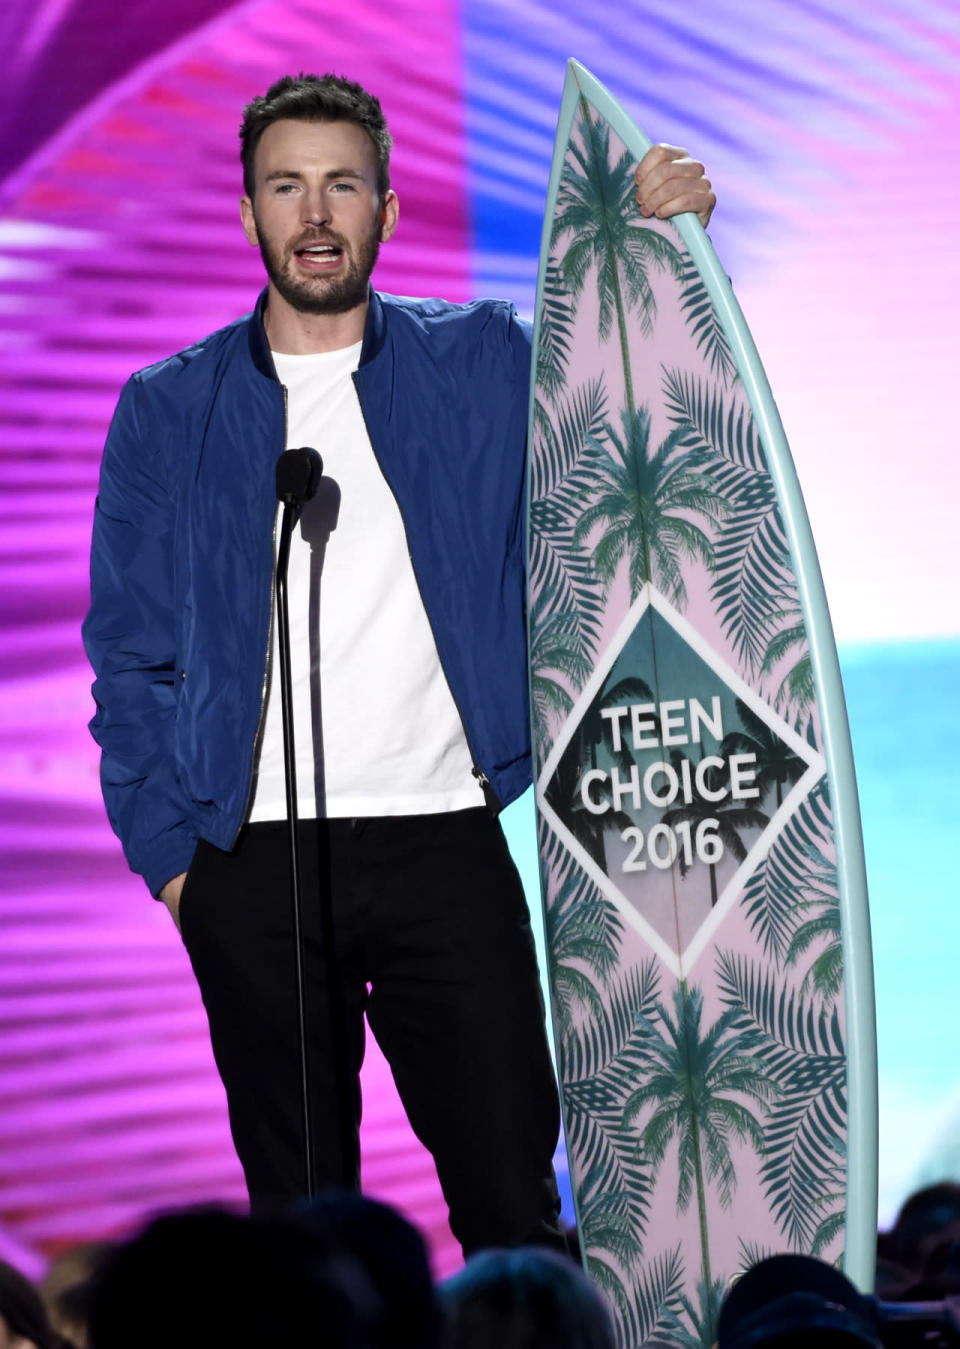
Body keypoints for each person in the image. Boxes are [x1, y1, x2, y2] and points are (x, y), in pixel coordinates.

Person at [82, 72, 716, 1253]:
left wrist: (674, 242)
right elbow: (128, 652)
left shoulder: (479, 357)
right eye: (285, 186)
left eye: (341, 185)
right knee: (307, 1239)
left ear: (385, 206)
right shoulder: (170, 406)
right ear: (247, 213)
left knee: (511, 1198)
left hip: (440, 836)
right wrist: (176, 866)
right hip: (251, 860)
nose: (314, 214)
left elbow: (633, 382)